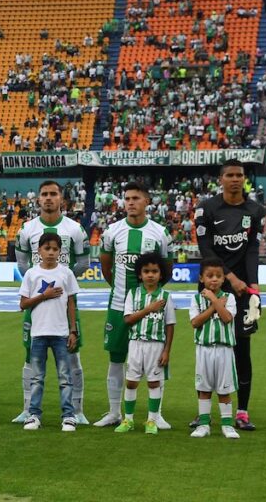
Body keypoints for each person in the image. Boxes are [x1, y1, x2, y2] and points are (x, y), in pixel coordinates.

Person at [194, 159, 265, 431]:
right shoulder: (207, 208)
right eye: (230, 175)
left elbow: (252, 251)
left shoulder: (255, 210)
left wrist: (253, 287)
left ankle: (242, 412)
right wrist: (230, 278)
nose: (236, 179)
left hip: (243, 291)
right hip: (212, 285)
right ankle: (203, 413)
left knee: (241, 350)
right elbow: (206, 249)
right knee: (207, 348)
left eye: (240, 175)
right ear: (220, 179)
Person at [96, 181, 172, 429]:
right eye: (127, 198)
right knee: (116, 359)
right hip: (119, 306)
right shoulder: (112, 232)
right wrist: (121, 292)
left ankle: (156, 414)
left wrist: (148, 297)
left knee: (154, 361)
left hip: (152, 309)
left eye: (136, 198)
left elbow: (166, 270)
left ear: (147, 202)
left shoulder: (159, 233)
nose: (130, 202)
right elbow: (106, 266)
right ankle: (114, 412)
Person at [14, 180, 90, 425]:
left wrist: (62, 281)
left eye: (53, 194)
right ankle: (28, 409)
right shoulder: (26, 230)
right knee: (30, 356)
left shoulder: (75, 229)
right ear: (38, 199)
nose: (48, 198)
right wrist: (40, 280)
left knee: (72, 356)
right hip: (37, 306)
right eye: (44, 194)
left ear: (61, 199)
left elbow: (82, 264)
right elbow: (23, 265)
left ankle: (77, 410)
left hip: (63, 302)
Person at [18, 233, 79, 432]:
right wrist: (43, 296)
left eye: (55, 249)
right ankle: (33, 414)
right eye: (47, 248)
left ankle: (68, 416)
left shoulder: (66, 273)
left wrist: (73, 330)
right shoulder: (31, 274)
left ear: (60, 252)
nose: (51, 253)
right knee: (37, 378)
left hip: (61, 333)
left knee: (65, 377)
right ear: (39, 251)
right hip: (38, 332)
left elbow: (71, 303)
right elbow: (23, 304)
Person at [115, 252, 175, 435]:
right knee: (131, 383)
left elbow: (170, 325)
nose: (150, 274)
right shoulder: (133, 294)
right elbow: (128, 320)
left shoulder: (165, 296)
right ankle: (129, 420)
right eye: (146, 271)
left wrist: (167, 351)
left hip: (156, 345)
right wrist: (149, 309)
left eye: (154, 271)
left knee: (154, 383)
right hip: (135, 344)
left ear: (160, 274)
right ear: (140, 274)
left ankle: (151, 420)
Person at [189, 258, 240, 439]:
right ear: (201, 278)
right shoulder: (196, 299)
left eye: (218, 276)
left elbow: (227, 318)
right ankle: (204, 424)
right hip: (204, 349)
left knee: (224, 389)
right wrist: (213, 303)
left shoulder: (230, 297)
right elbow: (195, 322)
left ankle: (227, 425)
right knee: (204, 388)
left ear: (223, 279)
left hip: (224, 349)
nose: (214, 279)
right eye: (210, 276)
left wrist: (214, 300)